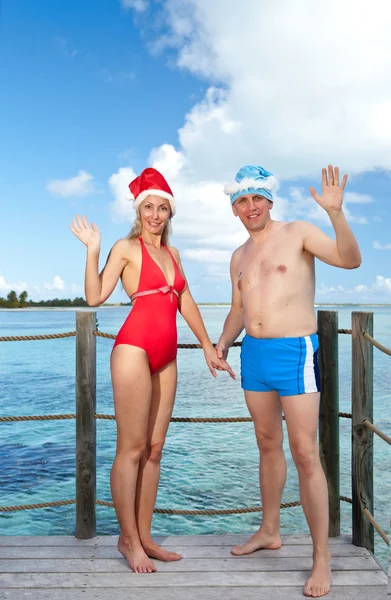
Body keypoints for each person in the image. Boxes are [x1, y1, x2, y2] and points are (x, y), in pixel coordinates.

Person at [70, 167, 235, 574]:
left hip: (167, 356)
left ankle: (145, 536)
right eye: (149, 207)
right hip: (133, 350)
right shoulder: (126, 248)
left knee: (155, 449)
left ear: (170, 213)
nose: (156, 214)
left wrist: (208, 346)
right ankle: (127, 540)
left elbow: (187, 302)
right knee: (131, 447)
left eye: (162, 208)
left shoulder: (174, 255)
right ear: (138, 210)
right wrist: (93, 249)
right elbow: (94, 296)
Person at [215, 164, 361, 598]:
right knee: (266, 442)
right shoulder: (238, 256)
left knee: (304, 452)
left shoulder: (297, 231)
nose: (250, 206)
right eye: (241, 201)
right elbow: (239, 310)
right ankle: (269, 530)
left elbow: (350, 260)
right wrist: (222, 343)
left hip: (295, 351)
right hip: (253, 355)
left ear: (269, 200)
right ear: (234, 209)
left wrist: (336, 213)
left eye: (256, 198)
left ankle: (321, 558)